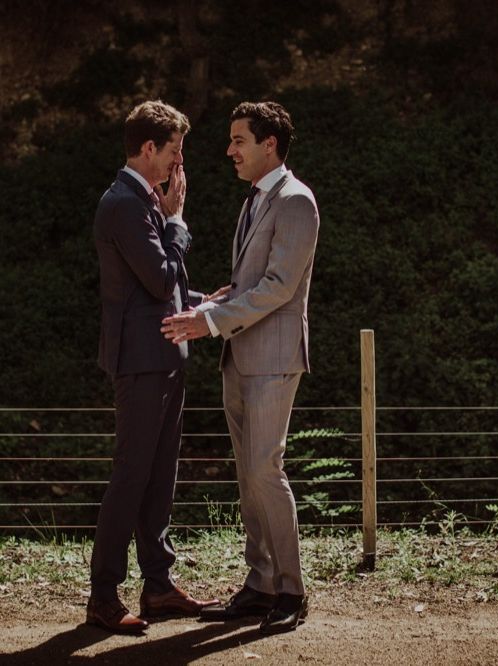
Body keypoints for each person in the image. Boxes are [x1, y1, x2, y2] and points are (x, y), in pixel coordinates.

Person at [161, 101, 319, 634]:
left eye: (238, 140)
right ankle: (260, 584)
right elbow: (248, 285)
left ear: (269, 144)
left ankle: (291, 591)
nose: (229, 150)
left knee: (264, 472)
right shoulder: (255, 201)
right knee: (248, 477)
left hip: (273, 359)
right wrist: (209, 309)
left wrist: (211, 324)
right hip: (240, 356)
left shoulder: (296, 202)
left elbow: (279, 288)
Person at [89, 100, 223, 634]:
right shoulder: (124, 204)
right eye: (174, 150)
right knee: (131, 476)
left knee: (159, 477)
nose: (178, 162)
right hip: (141, 362)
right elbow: (157, 278)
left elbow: (164, 289)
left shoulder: (139, 201)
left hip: (163, 355)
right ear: (149, 149)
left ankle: (159, 587)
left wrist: (203, 300)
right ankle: (103, 596)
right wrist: (177, 220)